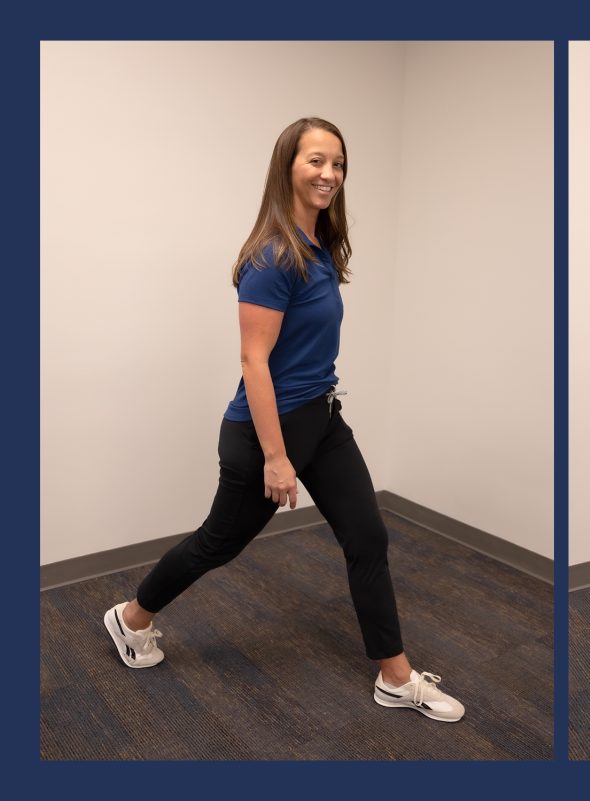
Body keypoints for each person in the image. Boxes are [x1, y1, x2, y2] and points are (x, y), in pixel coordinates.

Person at [103, 117, 464, 724]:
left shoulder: (320, 245)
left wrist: (304, 436)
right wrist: (275, 454)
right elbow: (254, 360)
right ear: (287, 168)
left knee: (367, 536)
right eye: (316, 161)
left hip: (321, 419)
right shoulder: (273, 257)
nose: (330, 174)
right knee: (219, 542)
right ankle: (131, 617)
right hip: (263, 433)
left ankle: (395, 677)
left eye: (339, 164)